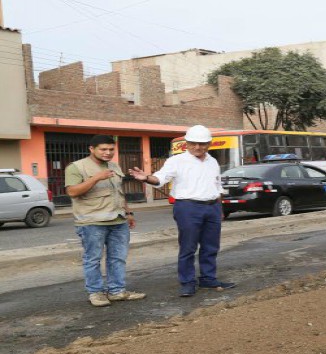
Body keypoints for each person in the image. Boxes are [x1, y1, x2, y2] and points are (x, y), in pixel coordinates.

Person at [128, 125, 235, 297]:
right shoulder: (176, 161)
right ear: (187, 143)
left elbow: (217, 185)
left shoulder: (212, 161)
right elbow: (160, 178)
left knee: (211, 246)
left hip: (212, 207)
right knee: (188, 247)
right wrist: (146, 178)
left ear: (209, 144)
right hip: (188, 207)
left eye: (202, 144)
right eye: (193, 143)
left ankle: (208, 278)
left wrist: (220, 208)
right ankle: (187, 282)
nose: (197, 147)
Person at [65, 135, 146, 307]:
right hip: (91, 222)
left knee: (118, 258)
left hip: (118, 220)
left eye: (111, 149)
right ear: (92, 149)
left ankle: (117, 291)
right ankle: (96, 293)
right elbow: (72, 192)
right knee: (92, 259)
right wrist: (95, 178)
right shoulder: (76, 167)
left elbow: (118, 191)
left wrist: (128, 212)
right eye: (103, 149)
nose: (108, 153)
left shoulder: (114, 166)